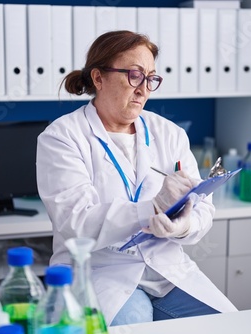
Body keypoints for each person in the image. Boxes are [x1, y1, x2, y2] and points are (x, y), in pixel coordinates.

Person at [36, 30, 237, 326]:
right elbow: (76, 222)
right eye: (134, 75)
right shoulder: (62, 137)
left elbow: (203, 206)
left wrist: (185, 225)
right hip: (101, 271)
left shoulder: (170, 134)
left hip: (168, 269)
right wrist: (152, 208)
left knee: (232, 324)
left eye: (151, 78)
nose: (144, 89)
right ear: (98, 78)